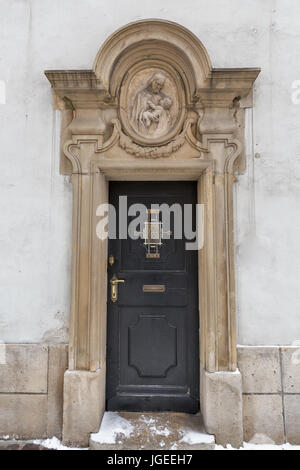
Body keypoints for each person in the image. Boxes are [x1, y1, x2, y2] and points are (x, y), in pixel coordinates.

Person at [130, 71, 172, 137]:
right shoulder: (141, 95)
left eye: (161, 85)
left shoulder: (162, 98)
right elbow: (135, 117)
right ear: (152, 81)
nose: (159, 87)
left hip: (158, 130)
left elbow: (166, 116)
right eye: (157, 84)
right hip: (143, 129)